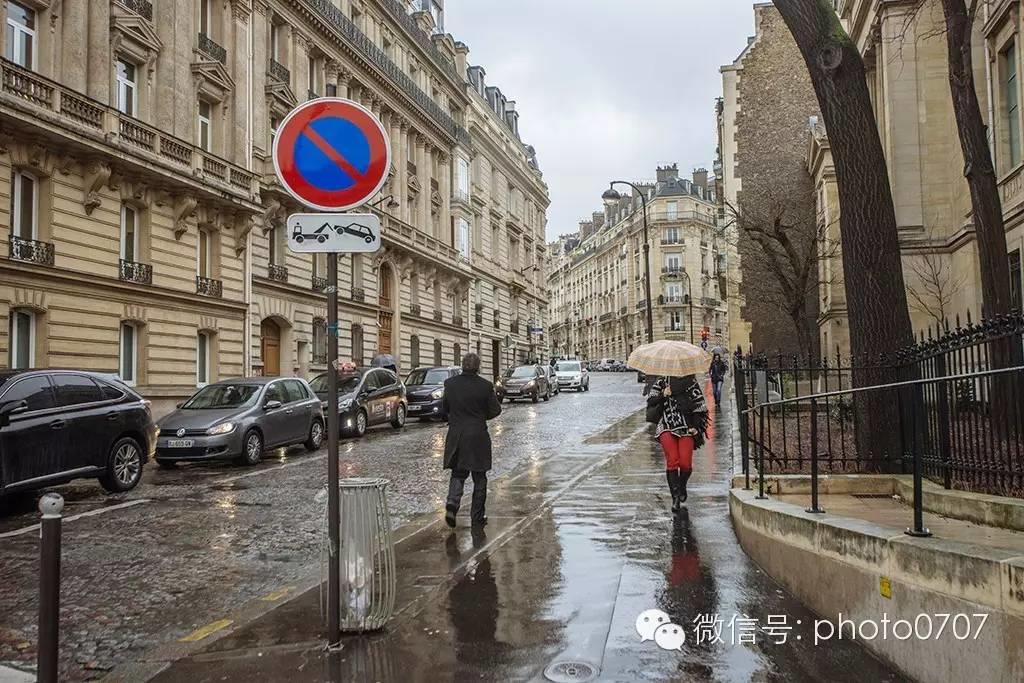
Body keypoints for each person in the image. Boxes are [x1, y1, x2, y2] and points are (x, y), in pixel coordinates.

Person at [441, 353, 502, 527]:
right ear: (478, 367)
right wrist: (480, 417)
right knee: (479, 477)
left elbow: (445, 408)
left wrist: (455, 418)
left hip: (457, 434)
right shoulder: (485, 386)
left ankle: (452, 505)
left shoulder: (450, 384)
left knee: (458, 473)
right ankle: (477, 517)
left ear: (462, 365)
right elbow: (495, 410)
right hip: (478, 436)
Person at [647, 375, 708, 513]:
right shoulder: (662, 381)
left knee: (685, 463)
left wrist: (696, 427)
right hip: (666, 426)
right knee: (672, 460)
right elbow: (651, 400)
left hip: (686, 426)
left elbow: (700, 406)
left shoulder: (690, 382)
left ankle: (681, 486)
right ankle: (675, 497)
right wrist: (663, 394)